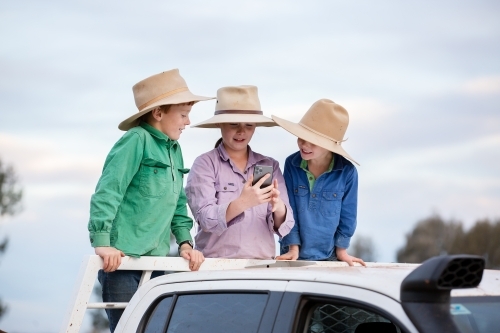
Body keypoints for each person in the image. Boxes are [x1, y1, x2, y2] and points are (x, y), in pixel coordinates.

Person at [87, 69, 212, 331]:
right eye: (183, 114)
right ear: (158, 113)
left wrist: (185, 243)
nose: (187, 122)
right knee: (129, 328)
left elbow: (178, 203)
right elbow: (108, 190)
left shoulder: (174, 149)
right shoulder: (135, 140)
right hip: (121, 261)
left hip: (156, 261)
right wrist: (102, 243)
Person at [185, 85, 294, 259]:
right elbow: (205, 219)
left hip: (261, 269)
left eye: (249, 125)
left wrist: (278, 206)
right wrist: (243, 202)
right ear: (220, 124)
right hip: (215, 269)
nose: (241, 131)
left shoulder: (268, 165)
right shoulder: (205, 164)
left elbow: (284, 225)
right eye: (234, 124)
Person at [272, 99, 366, 266]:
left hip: (331, 255)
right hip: (293, 253)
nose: (304, 144)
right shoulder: (291, 164)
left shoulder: (347, 172)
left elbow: (348, 216)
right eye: (301, 136)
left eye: (313, 141)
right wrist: (293, 247)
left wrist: (342, 250)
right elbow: (288, 207)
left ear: (330, 146)